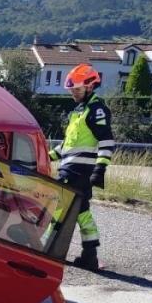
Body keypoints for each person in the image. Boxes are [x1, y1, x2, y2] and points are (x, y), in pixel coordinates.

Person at [51, 64, 115, 270]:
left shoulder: (97, 110)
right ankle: (90, 256)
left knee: (57, 206)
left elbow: (106, 141)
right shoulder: (78, 111)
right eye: (71, 91)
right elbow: (67, 145)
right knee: (82, 212)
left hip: (79, 171)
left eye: (77, 90)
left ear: (89, 87)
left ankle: (46, 248)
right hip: (70, 168)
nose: (73, 94)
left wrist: (101, 168)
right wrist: (46, 156)